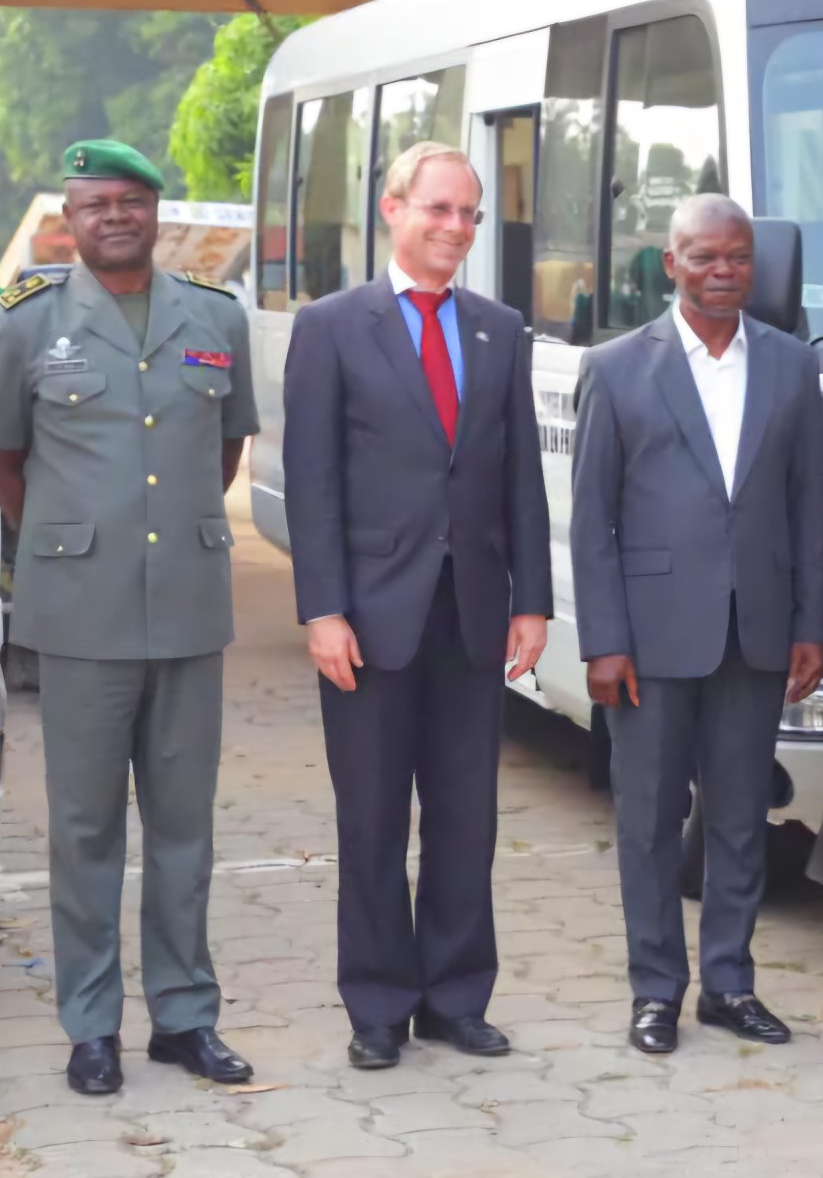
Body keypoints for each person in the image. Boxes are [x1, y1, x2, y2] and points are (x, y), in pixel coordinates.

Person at [0, 140, 260, 1094]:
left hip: (186, 608)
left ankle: (185, 1017)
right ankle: (91, 1026)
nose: (115, 218)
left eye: (132, 202)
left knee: (184, 829)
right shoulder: (24, 323)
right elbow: (1, 462)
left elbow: (222, 454)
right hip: (80, 615)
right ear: (71, 218)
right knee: (86, 829)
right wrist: (75, 536)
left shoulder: (215, 319)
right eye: (96, 205)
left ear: (156, 212)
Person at [282, 141, 552, 1070]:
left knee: (466, 817)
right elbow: (311, 481)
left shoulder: (499, 328)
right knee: (371, 818)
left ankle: (455, 996)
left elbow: (520, 477)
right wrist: (322, 609)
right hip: (368, 615)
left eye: (471, 214)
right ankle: (377, 1006)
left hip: (472, 610)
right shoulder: (332, 325)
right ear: (393, 209)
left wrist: (533, 600)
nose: (456, 228)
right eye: (439, 209)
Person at [570, 194, 823, 1056]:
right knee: (646, 822)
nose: (724, 274)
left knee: (739, 818)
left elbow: (804, 507)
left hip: (755, 633)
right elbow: (591, 520)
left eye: (738, 259)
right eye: (705, 259)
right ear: (671, 263)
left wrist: (811, 624)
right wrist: (602, 641)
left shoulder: (792, 367)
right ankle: (655, 991)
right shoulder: (615, 368)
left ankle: (729, 983)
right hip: (648, 640)